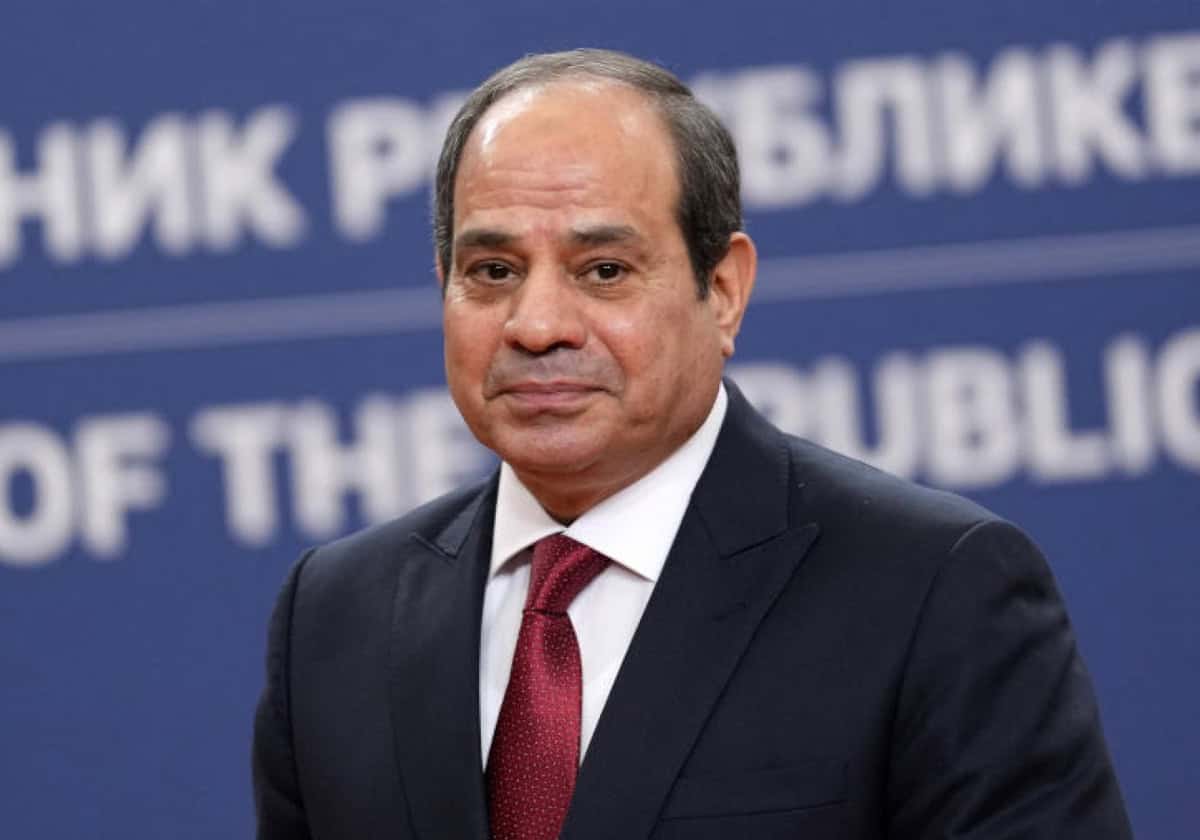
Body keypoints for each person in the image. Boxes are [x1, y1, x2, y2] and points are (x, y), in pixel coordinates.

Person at [252, 49, 1132, 839]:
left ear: (724, 291)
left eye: (604, 271)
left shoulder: (932, 591)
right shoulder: (335, 614)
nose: (538, 324)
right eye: (493, 272)